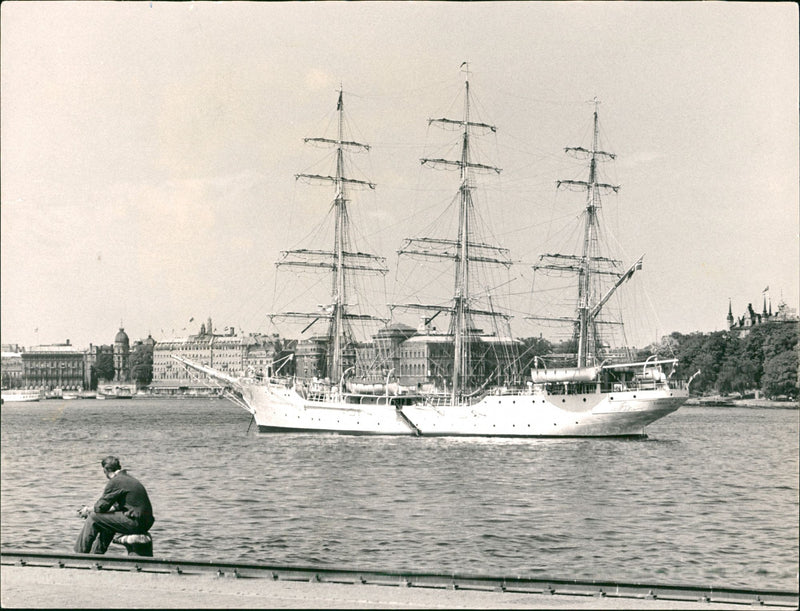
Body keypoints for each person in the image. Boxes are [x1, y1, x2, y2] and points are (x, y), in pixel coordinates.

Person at [74, 456, 155, 555]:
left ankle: (79, 554)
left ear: (105, 470)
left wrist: (87, 510)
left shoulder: (115, 481)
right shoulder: (128, 479)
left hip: (136, 523)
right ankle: (97, 555)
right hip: (144, 522)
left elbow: (101, 507)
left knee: (93, 517)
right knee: (106, 521)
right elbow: (115, 507)